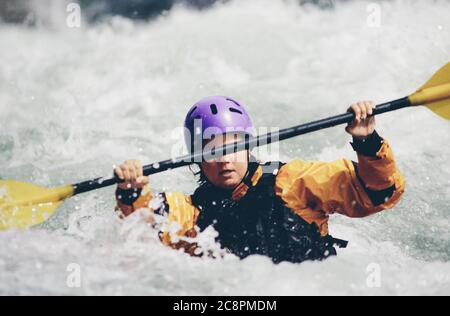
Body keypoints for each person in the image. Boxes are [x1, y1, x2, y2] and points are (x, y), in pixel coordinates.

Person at [114, 96, 405, 264]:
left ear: (248, 147)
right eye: (212, 151)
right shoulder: (192, 211)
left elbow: (377, 194)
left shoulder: (291, 181)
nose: (224, 159)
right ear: (197, 160)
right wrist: (131, 193)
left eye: (232, 147)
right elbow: (140, 230)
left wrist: (367, 142)